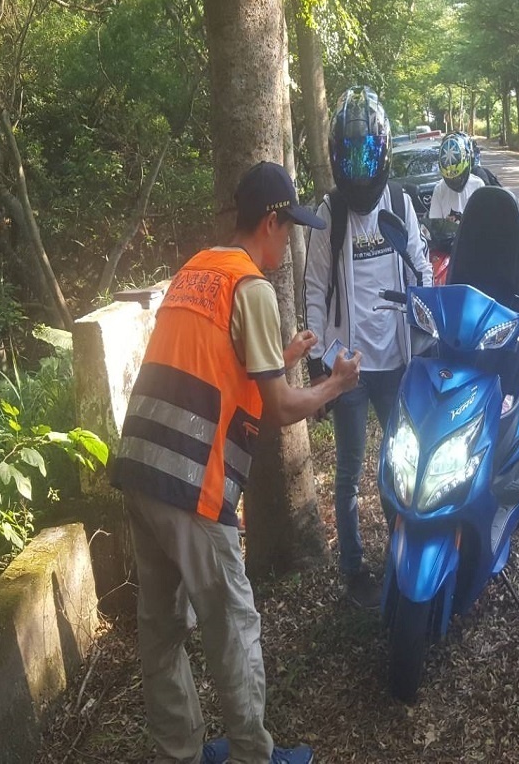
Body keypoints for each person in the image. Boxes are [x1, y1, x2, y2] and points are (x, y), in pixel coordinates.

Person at [111, 161, 361, 764]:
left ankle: (180, 753)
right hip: (193, 484)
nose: (291, 241)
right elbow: (277, 408)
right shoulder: (251, 287)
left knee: (162, 631)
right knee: (235, 628)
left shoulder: (197, 270)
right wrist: (337, 386)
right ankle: (253, 755)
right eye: (289, 228)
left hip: (140, 469)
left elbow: (217, 361)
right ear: (271, 222)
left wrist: (287, 350)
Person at [304, 86, 432, 609]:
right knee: (349, 472)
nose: (359, 167)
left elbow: (422, 271)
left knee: (401, 465)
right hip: (350, 369)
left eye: (367, 154)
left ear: (381, 152)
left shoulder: (400, 202)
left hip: (398, 363)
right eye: (349, 155)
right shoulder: (329, 215)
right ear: (338, 155)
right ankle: (353, 568)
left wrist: (427, 326)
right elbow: (314, 289)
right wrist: (324, 360)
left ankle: (402, 555)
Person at [429, 131, 485, 220]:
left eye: (458, 177)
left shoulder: (478, 185)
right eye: (451, 179)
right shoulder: (439, 189)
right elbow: (435, 222)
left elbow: (484, 221)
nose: (455, 181)